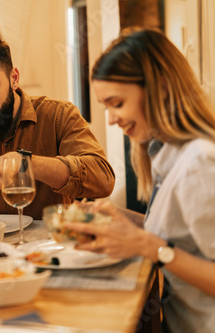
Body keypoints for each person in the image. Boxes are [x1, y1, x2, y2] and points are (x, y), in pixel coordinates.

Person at [66, 28, 215, 332]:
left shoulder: (199, 162)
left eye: (116, 103)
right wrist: (121, 218)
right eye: (106, 106)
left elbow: (163, 247)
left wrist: (149, 247)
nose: (110, 118)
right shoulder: (166, 152)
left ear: (159, 89)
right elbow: (181, 236)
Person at [0, 32, 115, 220]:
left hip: (52, 242)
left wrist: (26, 163)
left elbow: (103, 179)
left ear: (14, 78)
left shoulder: (58, 116)